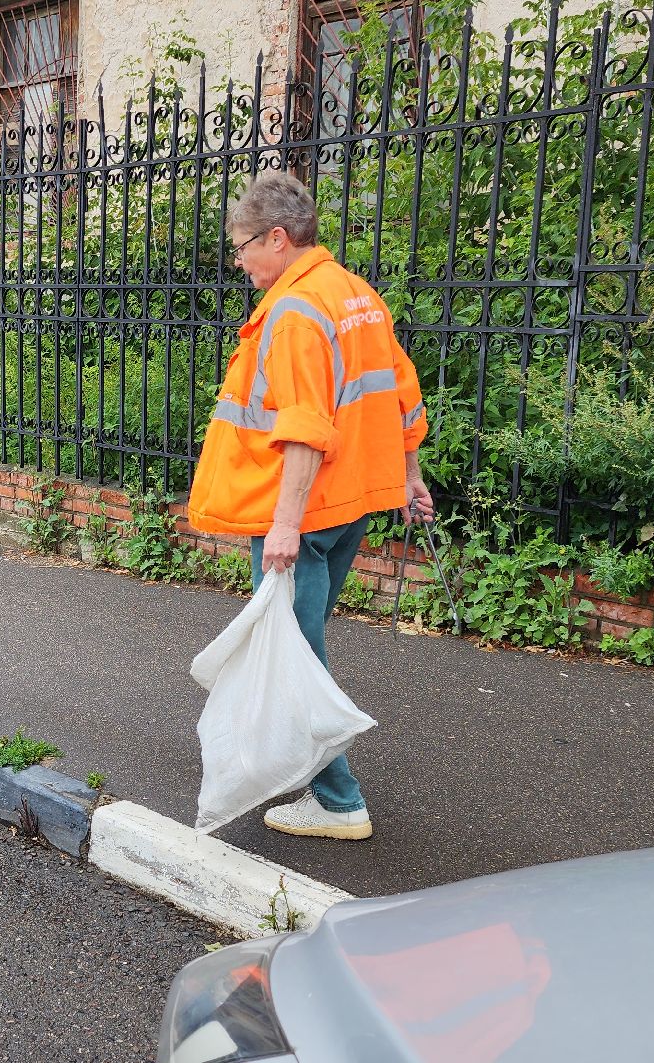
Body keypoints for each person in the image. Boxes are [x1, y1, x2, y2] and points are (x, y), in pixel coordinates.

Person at [186, 170, 434, 840]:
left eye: (241, 246)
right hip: (349, 504)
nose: (239, 262)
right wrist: (410, 474)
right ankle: (295, 762)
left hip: (305, 510)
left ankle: (338, 799)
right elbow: (401, 393)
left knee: (296, 655)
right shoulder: (357, 295)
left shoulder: (295, 312)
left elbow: (303, 427)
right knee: (301, 643)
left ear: (276, 237)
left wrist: (285, 526)